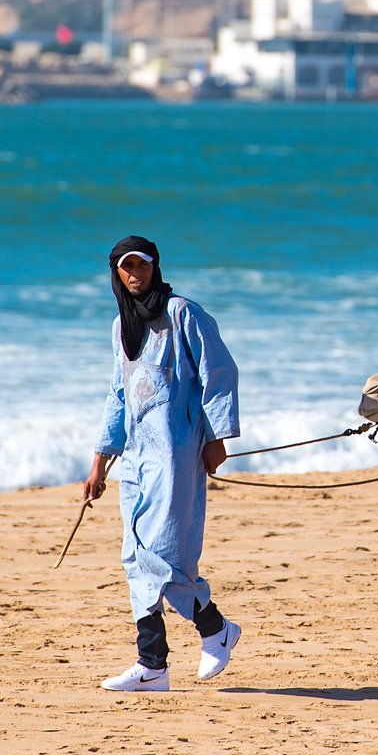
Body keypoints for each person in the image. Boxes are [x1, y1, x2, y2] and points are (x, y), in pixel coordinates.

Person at [82, 236, 244, 693]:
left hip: (176, 451)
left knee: (162, 552)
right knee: (135, 554)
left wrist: (217, 437)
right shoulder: (120, 326)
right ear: (116, 273)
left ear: (155, 267)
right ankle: (156, 662)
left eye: (143, 265)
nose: (136, 274)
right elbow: (119, 394)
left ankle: (212, 630)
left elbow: (219, 372)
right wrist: (100, 461)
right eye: (126, 267)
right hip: (135, 457)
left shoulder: (183, 313)